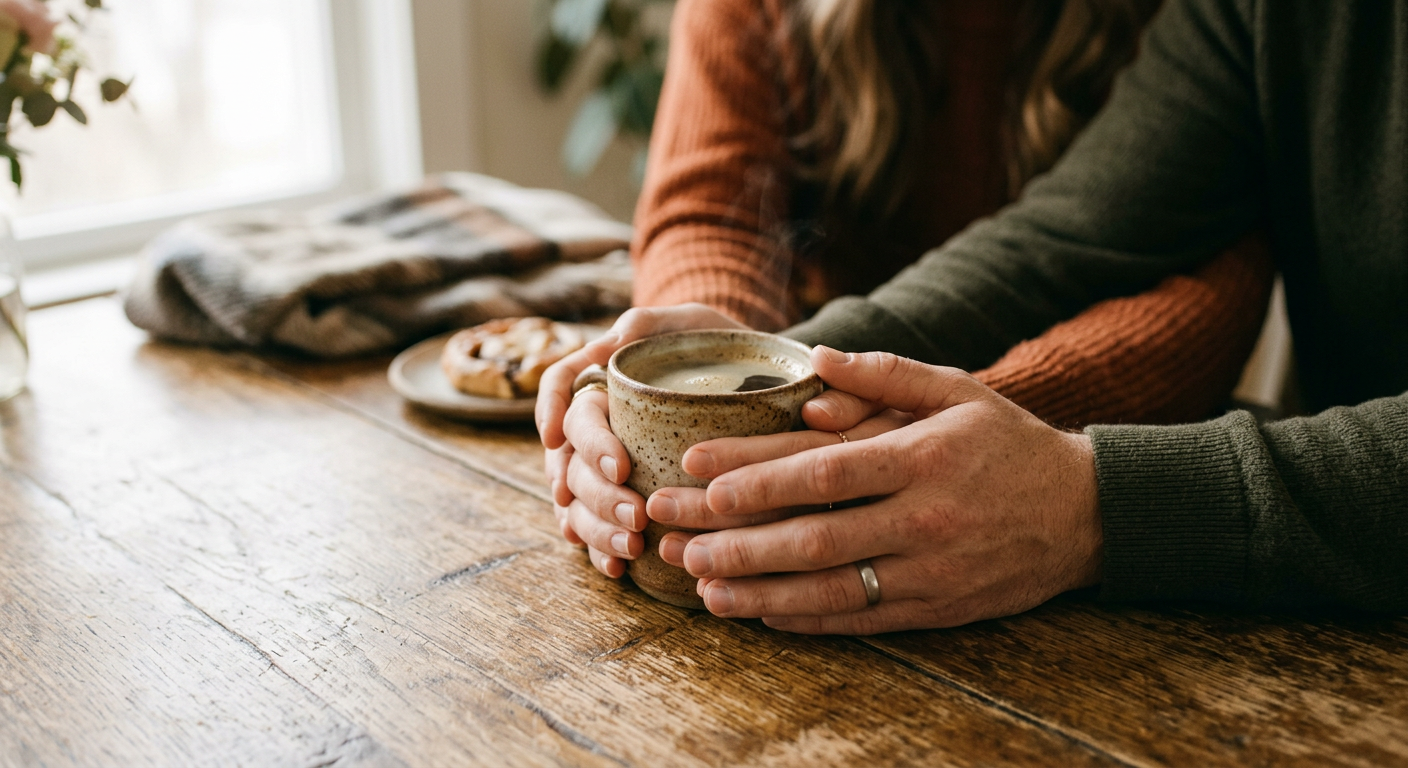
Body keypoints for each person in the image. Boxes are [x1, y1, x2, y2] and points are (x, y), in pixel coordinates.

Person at [545, 0, 1278, 583]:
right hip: (823, 390)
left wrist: (979, 432)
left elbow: (1212, 270)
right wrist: (727, 372)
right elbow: (712, 209)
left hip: (1085, 462)